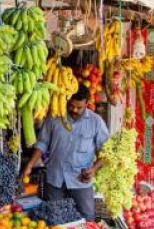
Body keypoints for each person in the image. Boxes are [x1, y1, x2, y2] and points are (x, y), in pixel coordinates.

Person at [21, 84, 109, 220]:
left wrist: (93, 169)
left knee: (87, 218)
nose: (74, 109)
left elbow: (106, 151)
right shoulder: (54, 118)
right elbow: (42, 143)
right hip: (55, 178)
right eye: (71, 105)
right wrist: (30, 165)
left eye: (79, 107)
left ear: (87, 103)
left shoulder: (96, 122)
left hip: (80, 180)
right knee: (55, 219)